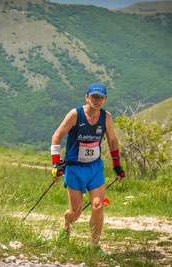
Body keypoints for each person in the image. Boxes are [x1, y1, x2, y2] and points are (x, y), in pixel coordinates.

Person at [50, 82, 125, 250]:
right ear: (87, 97)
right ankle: (66, 223)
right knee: (75, 213)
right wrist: (56, 163)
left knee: (98, 206)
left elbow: (112, 141)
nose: (97, 100)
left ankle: (94, 247)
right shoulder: (75, 115)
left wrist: (117, 166)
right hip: (75, 168)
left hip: (94, 168)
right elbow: (56, 136)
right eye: (94, 96)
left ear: (104, 99)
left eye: (100, 97)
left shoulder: (106, 117)